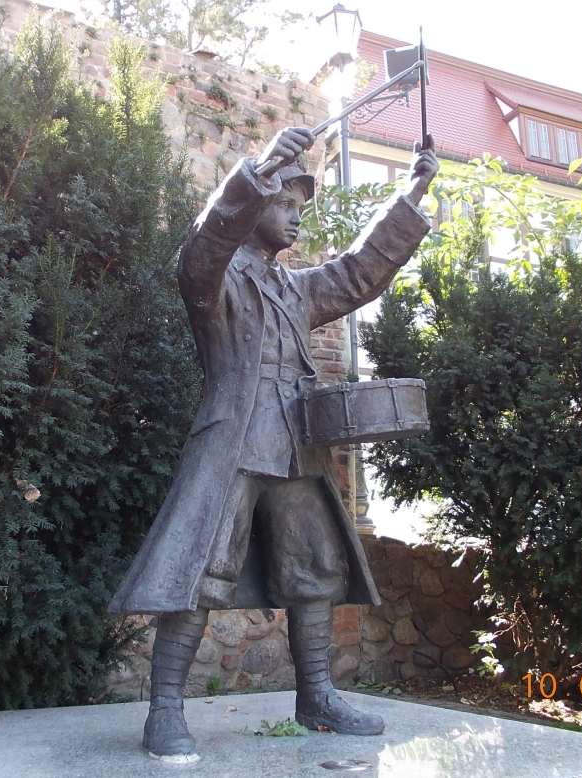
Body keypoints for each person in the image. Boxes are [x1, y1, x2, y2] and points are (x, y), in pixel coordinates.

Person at [109, 126, 439, 759]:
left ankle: (316, 696)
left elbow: (359, 273)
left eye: (298, 206)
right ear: (257, 204)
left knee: (315, 568)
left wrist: (411, 193)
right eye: (283, 203)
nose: (294, 216)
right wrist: (258, 171)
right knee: (201, 568)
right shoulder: (215, 275)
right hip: (232, 442)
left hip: (295, 443)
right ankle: (166, 709)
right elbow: (206, 243)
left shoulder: (297, 288)